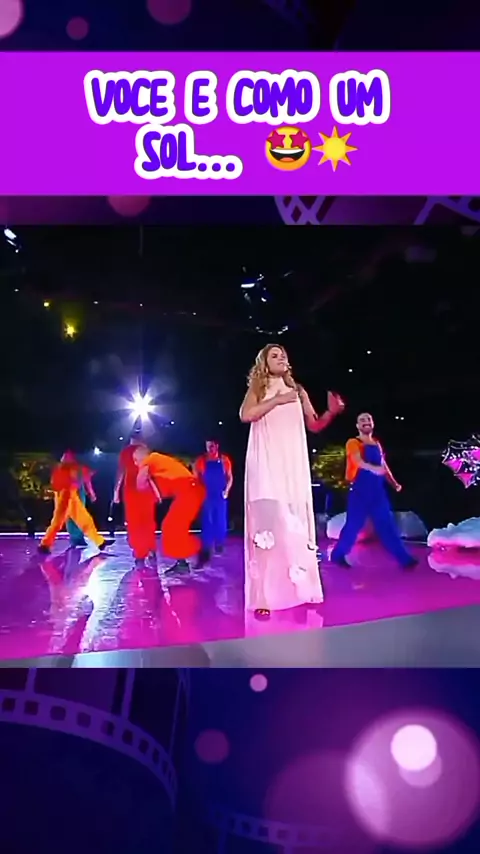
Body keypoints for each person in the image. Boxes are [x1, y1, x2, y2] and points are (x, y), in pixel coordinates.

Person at [240, 343, 345, 620]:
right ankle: (262, 597)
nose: (281, 358)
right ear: (264, 363)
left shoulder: (298, 390)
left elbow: (314, 424)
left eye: (283, 355)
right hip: (266, 462)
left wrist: (331, 413)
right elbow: (246, 415)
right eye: (274, 355)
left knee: (292, 528)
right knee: (266, 529)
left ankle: (300, 590)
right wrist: (276, 400)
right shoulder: (260, 387)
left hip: (292, 464)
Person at [330, 412, 418, 569]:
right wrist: (373, 469)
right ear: (357, 425)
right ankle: (338, 555)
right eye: (362, 420)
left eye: (368, 419)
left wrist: (394, 483)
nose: (366, 422)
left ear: (373, 423)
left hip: (378, 492)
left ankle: (405, 559)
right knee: (353, 525)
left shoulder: (377, 443)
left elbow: (383, 466)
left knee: (387, 524)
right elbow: (358, 461)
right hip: (360, 491)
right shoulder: (353, 442)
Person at [135, 447, 206, 573]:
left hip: (190, 492)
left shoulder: (150, 460)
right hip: (191, 491)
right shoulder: (159, 464)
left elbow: (140, 485)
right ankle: (183, 562)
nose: (136, 464)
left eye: (136, 460)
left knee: (171, 527)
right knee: (173, 528)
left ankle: (198, 549)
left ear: (142, 456)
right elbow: (161, 492)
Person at [38, 451, 114, 555]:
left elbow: (83, 478)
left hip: (70, 494)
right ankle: (45, 544)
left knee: (84, 520)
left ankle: (99, 542)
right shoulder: (64, 467)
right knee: (58, 521)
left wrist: (86, 489)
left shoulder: (73, 467)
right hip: (65, 494)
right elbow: (58, 482)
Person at [113, 434, 159, 564]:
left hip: (132, 490)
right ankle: (150, 549)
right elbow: (152, 474)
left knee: (135, 522)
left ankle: (140, 554)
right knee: (148, 521)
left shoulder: (126, 452)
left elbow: (121, 472)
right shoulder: (147, 451)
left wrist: (116, 492)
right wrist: (156, 492)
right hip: (145, 489)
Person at [194, 439, 233, 567]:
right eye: (207, 446)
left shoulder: (224, 460)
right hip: (207, 495)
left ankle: (219, 544)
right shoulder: (201, 461)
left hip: (220, 495)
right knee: (207, 521)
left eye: (212, 446)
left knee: (221, 521)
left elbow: (229, 477)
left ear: (217, 446)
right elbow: (196, 478)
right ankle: (207, 547)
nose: (210, 449)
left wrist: (226, 491)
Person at [66, 464, 95, 547]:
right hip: (74, 490)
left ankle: (76, 538)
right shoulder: (81, 465)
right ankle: (76, 538)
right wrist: (92, 493)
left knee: (72, 514)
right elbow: (87, 479)